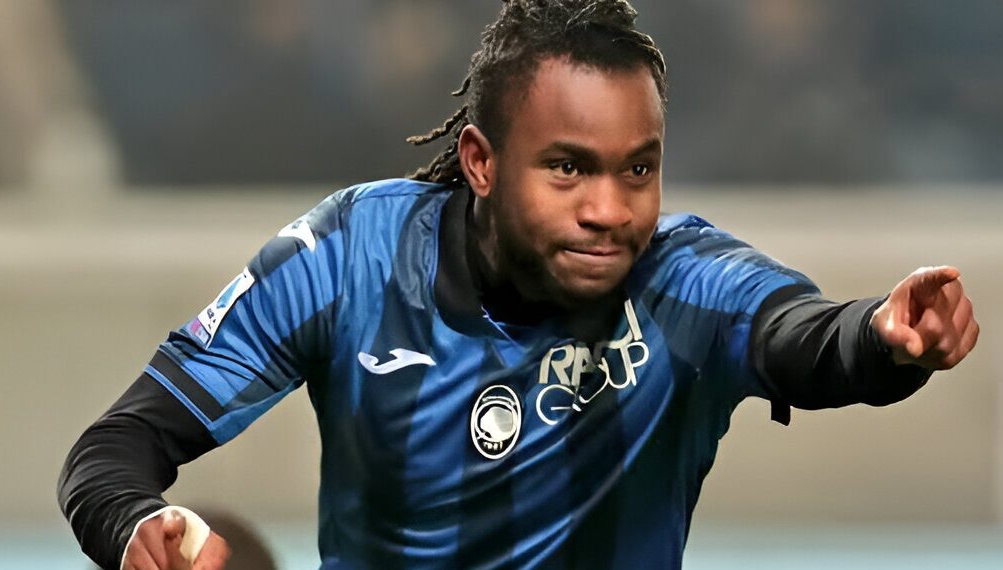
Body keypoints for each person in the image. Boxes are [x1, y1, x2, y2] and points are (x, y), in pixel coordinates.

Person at [58, 1, 980, 569]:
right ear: (479, 161)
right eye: (568, 168)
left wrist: (884, 338)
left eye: (637, 169)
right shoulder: (350, 257)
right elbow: (115, 448)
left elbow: (800, 337)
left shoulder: (680, 277)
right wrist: (138, 525)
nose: (609, 210)